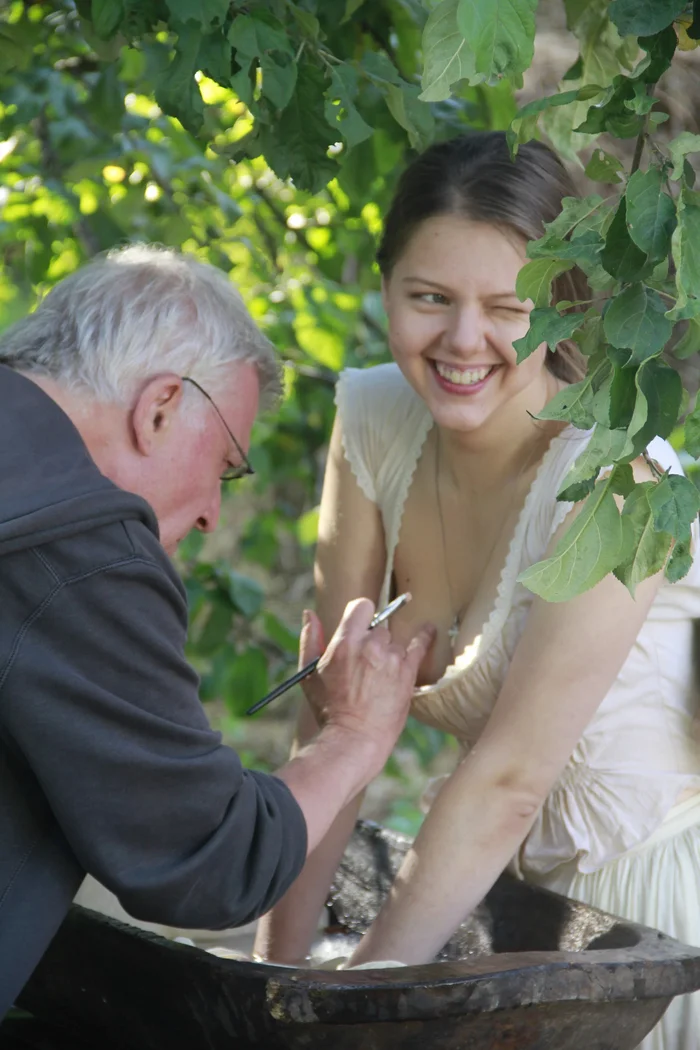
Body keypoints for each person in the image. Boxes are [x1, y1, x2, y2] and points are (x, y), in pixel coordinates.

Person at [254, 132, 700, 1050]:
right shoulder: (373, 419)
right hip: (514, 919)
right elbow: (326, 730)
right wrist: (268, 986)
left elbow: (506, 782)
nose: (463, 341)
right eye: (429, 298)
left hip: (652, 930)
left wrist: (348, 1012)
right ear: (385, 289)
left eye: (508, 308)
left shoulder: (619, 482)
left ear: (565, 315)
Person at [0, 245, 435, 1018]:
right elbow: (208, 859)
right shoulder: (81, 544)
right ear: (160, 405)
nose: (211, 513)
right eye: (228, 466)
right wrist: (355, 738)